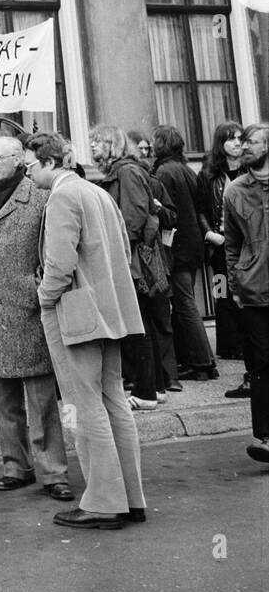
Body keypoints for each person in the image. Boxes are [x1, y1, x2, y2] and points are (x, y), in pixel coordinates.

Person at [26, 133, 146, 529]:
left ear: (49, 163)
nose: (28, 171)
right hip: (111, 310)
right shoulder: (97, 191)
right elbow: (123, 253)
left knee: (85, 404)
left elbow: (58, 263)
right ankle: (129, 498)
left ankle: (103, 502)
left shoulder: (62, 197)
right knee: (113, 400)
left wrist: (45, 298)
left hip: (78, 314)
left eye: (30, 164)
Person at [0, 136, 73, 501]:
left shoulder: (40, 196)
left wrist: (36, 287)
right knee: (2, 398)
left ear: (17, 160)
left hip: (28, 307)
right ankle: (15, 465)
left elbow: (53, 248)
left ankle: (53, 471)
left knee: (40, 398)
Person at [92, 123, 174, 408]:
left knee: (136, 324)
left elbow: (134, 217)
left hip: (134, 261)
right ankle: (156, 388)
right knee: (144, 323)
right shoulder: (128, 171)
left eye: (98, 142)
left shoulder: (126, 172)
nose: (93, 147)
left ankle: (145, 392)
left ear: (113, 145)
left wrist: (118, 254)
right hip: (137, 259)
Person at [150, 126, 218, 382]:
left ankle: (202, 362)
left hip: (176, 248)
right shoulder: (187, 169)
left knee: (185, 303)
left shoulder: (164, 172)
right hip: (192, 245)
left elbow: (168, 213)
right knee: (186, 303)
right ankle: (200, 360)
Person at [222, 124, 269, 465]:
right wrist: (237, 285)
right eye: (242, 142)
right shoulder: (235, 191)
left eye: (251, 141)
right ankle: (266, 438)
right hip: (255, 291)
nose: (243, 147)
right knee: (261, 364)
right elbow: (232, 245)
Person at [197, 123, 249, 392]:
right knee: (221, 291)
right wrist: (208, 234)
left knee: (244, 290)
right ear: (221, 143)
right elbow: (201, 208)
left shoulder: (249, 170)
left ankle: (244, 343)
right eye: (231, 140)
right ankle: (228, 345)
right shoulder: (209, 173)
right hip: (219, 245)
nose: (237, 144)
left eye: (240, 139)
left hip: (244, 243)